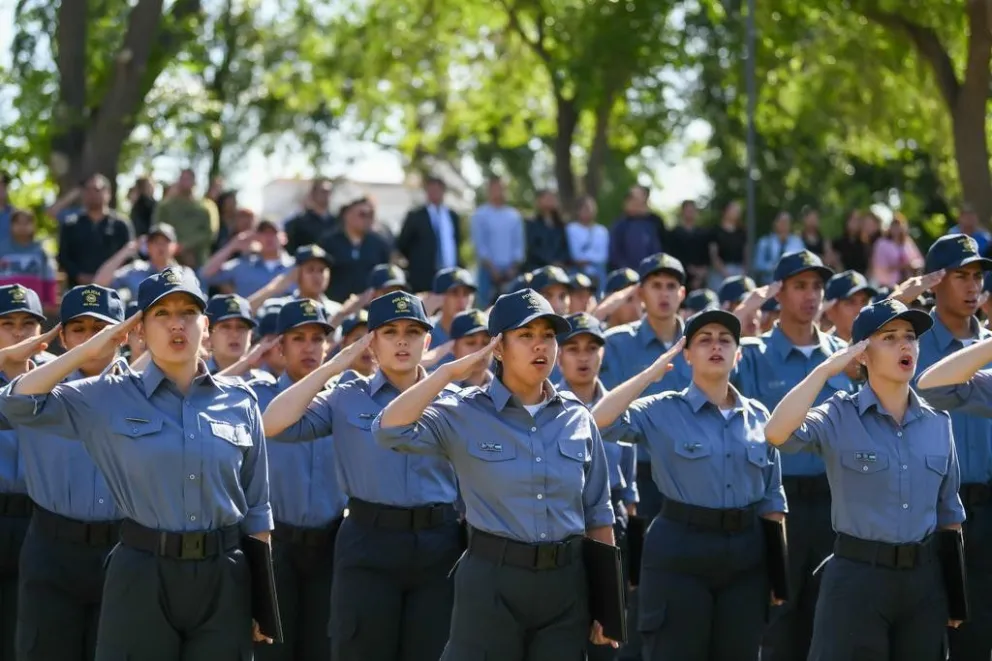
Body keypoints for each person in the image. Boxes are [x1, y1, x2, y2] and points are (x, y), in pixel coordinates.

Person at [0, 267, 273, 660]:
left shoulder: (240, 400)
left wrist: (262, 601)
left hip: (224, 575)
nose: (176, 325)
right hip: (143, 570)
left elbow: (257, 510)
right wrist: (89, 350)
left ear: (205, 326)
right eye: (161, 314)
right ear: (139, 330)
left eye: (187, 313)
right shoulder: (105, 395)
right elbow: (16, 403)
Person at [373, 288, 617, 660]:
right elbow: (387, 429)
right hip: (492, 582)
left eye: (548, 336)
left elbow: (598, 512)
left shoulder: (576, 416)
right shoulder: (463, 411)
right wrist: (450, 371)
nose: (541, 347)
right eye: (526, 336)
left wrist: (608, 602)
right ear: (498, 349)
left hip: (565, 586)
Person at [260, 290, 461, 661]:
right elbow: (272, 423)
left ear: (427, 341)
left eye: (413, 332)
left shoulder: (453, 399)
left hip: (439, 545)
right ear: (372, 342)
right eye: (389, 331)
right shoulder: (346, 397)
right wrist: (335, 365)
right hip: (369, 542)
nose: (402, 340)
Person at [764, 299, 964, 660]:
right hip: (858, 581)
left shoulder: (939, 423)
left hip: (923, 586)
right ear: (861, 355)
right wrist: (824, 371)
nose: (905, 345)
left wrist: (955, 599)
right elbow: (777, 433)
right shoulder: (838, 414)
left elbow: (949, 515)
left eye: (910, 337)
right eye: (888, 338)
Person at [593, 309, 786, 661]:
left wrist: (778, 573)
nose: (716, 346)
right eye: (704, 340)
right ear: (687, 355)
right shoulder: (663, 409)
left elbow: (772, 500)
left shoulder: (759, 416)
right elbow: (599, 422)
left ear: (738, 355)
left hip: (747, 555)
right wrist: (649, 375)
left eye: (725, 340)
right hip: (680, 549)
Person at [733, 250, 852, 661]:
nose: (811, 295)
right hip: (775, 505)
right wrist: (747, 308)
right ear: (777, 294)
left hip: (836, 503)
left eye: (817, 286)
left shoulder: (843, 357)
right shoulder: (752, 355)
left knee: (832, 622)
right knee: (779, 622)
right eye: (800, 285)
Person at [7, 285, 124, 661]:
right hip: (51, 547)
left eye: (100, 330)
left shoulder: (146, 391)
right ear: (60, 337)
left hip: (123, 548)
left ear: (121, 335)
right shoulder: (34, 392)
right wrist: (11, 359)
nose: (89, 342)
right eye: (78, 330)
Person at [249, 299, 347, 661]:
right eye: (299, 338)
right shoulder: (259, 397)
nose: (309, 347)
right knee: (274, 651)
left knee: (324, 648)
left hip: (330, 543)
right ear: (280, 346)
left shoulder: (344, 399)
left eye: (318, 339)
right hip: (277, 545)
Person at [911, 233, 992, 661]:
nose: (972, 285)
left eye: (978, 276)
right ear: (935, 282)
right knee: (937, 639)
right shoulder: (912, 347)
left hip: (989, 507)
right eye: (961, 275)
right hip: (934, 516)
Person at [556, 312, 636, 661]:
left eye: (591, 347)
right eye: (573, 348)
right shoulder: (544, 403)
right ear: (559, 355)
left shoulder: (619, 404)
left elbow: (629, 480)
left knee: (606, 634)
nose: (583, 356)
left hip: (611, 521)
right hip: (562, 520)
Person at [0, 284, 46, 661]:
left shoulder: (59, 380)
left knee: (28, 631)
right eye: (8, 323)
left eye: (29, 324)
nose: (19, 333)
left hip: (38, 519)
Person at [428, 267, 477, 348]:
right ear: (439, 297)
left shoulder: (482, 334)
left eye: (466, 293)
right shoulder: (424, 331)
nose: (461, 300)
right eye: (454, 293)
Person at [822, 270, 877, 342]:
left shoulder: (881, 346)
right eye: (851, 302)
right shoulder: (824, 349)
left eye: (865, 301)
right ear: (831, 311)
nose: (860, 310)